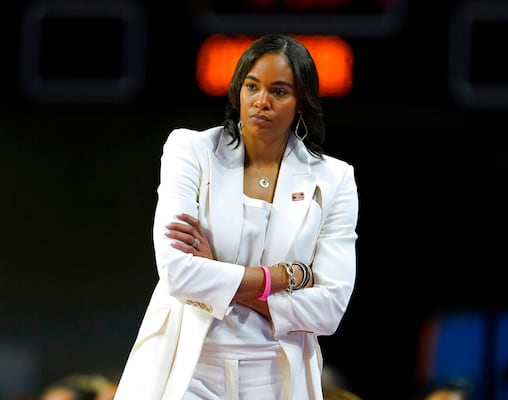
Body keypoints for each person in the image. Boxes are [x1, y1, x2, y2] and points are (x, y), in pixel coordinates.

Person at [112, 33, 359, 400]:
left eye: (279, 91)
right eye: (251, 86)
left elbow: (329, 310)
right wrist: (281, 277)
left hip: (276, 371)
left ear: (301, 103)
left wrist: (218, 271)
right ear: (237, 91)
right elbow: (178, 273)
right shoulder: (191, 150)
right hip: (190, 364)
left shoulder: (334, 178)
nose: (261, 101)